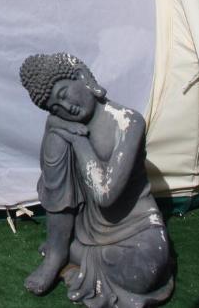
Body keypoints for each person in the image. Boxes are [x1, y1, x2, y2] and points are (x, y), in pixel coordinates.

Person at [19, 53, 173, 307]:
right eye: (55, 107)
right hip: (87, 226)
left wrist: (79, 141)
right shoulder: (62, 127)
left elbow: (105, 194)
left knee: (144, 271)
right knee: (56, 139)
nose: (67, 108)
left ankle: (72, 251)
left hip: (136, 229)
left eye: (64, 94)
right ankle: (57, 253)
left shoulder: (127, 122)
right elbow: (53, 184)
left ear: (82, 77)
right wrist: (55, 127)